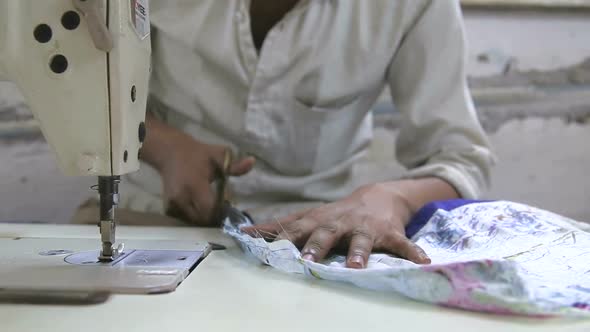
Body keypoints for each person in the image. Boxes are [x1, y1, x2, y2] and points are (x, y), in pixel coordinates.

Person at [120, 0, 494, 269]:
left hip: (317, 241)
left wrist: (388, 198)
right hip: (147, 215)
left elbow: (461, 157)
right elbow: (81, 89)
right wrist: (165, 147)